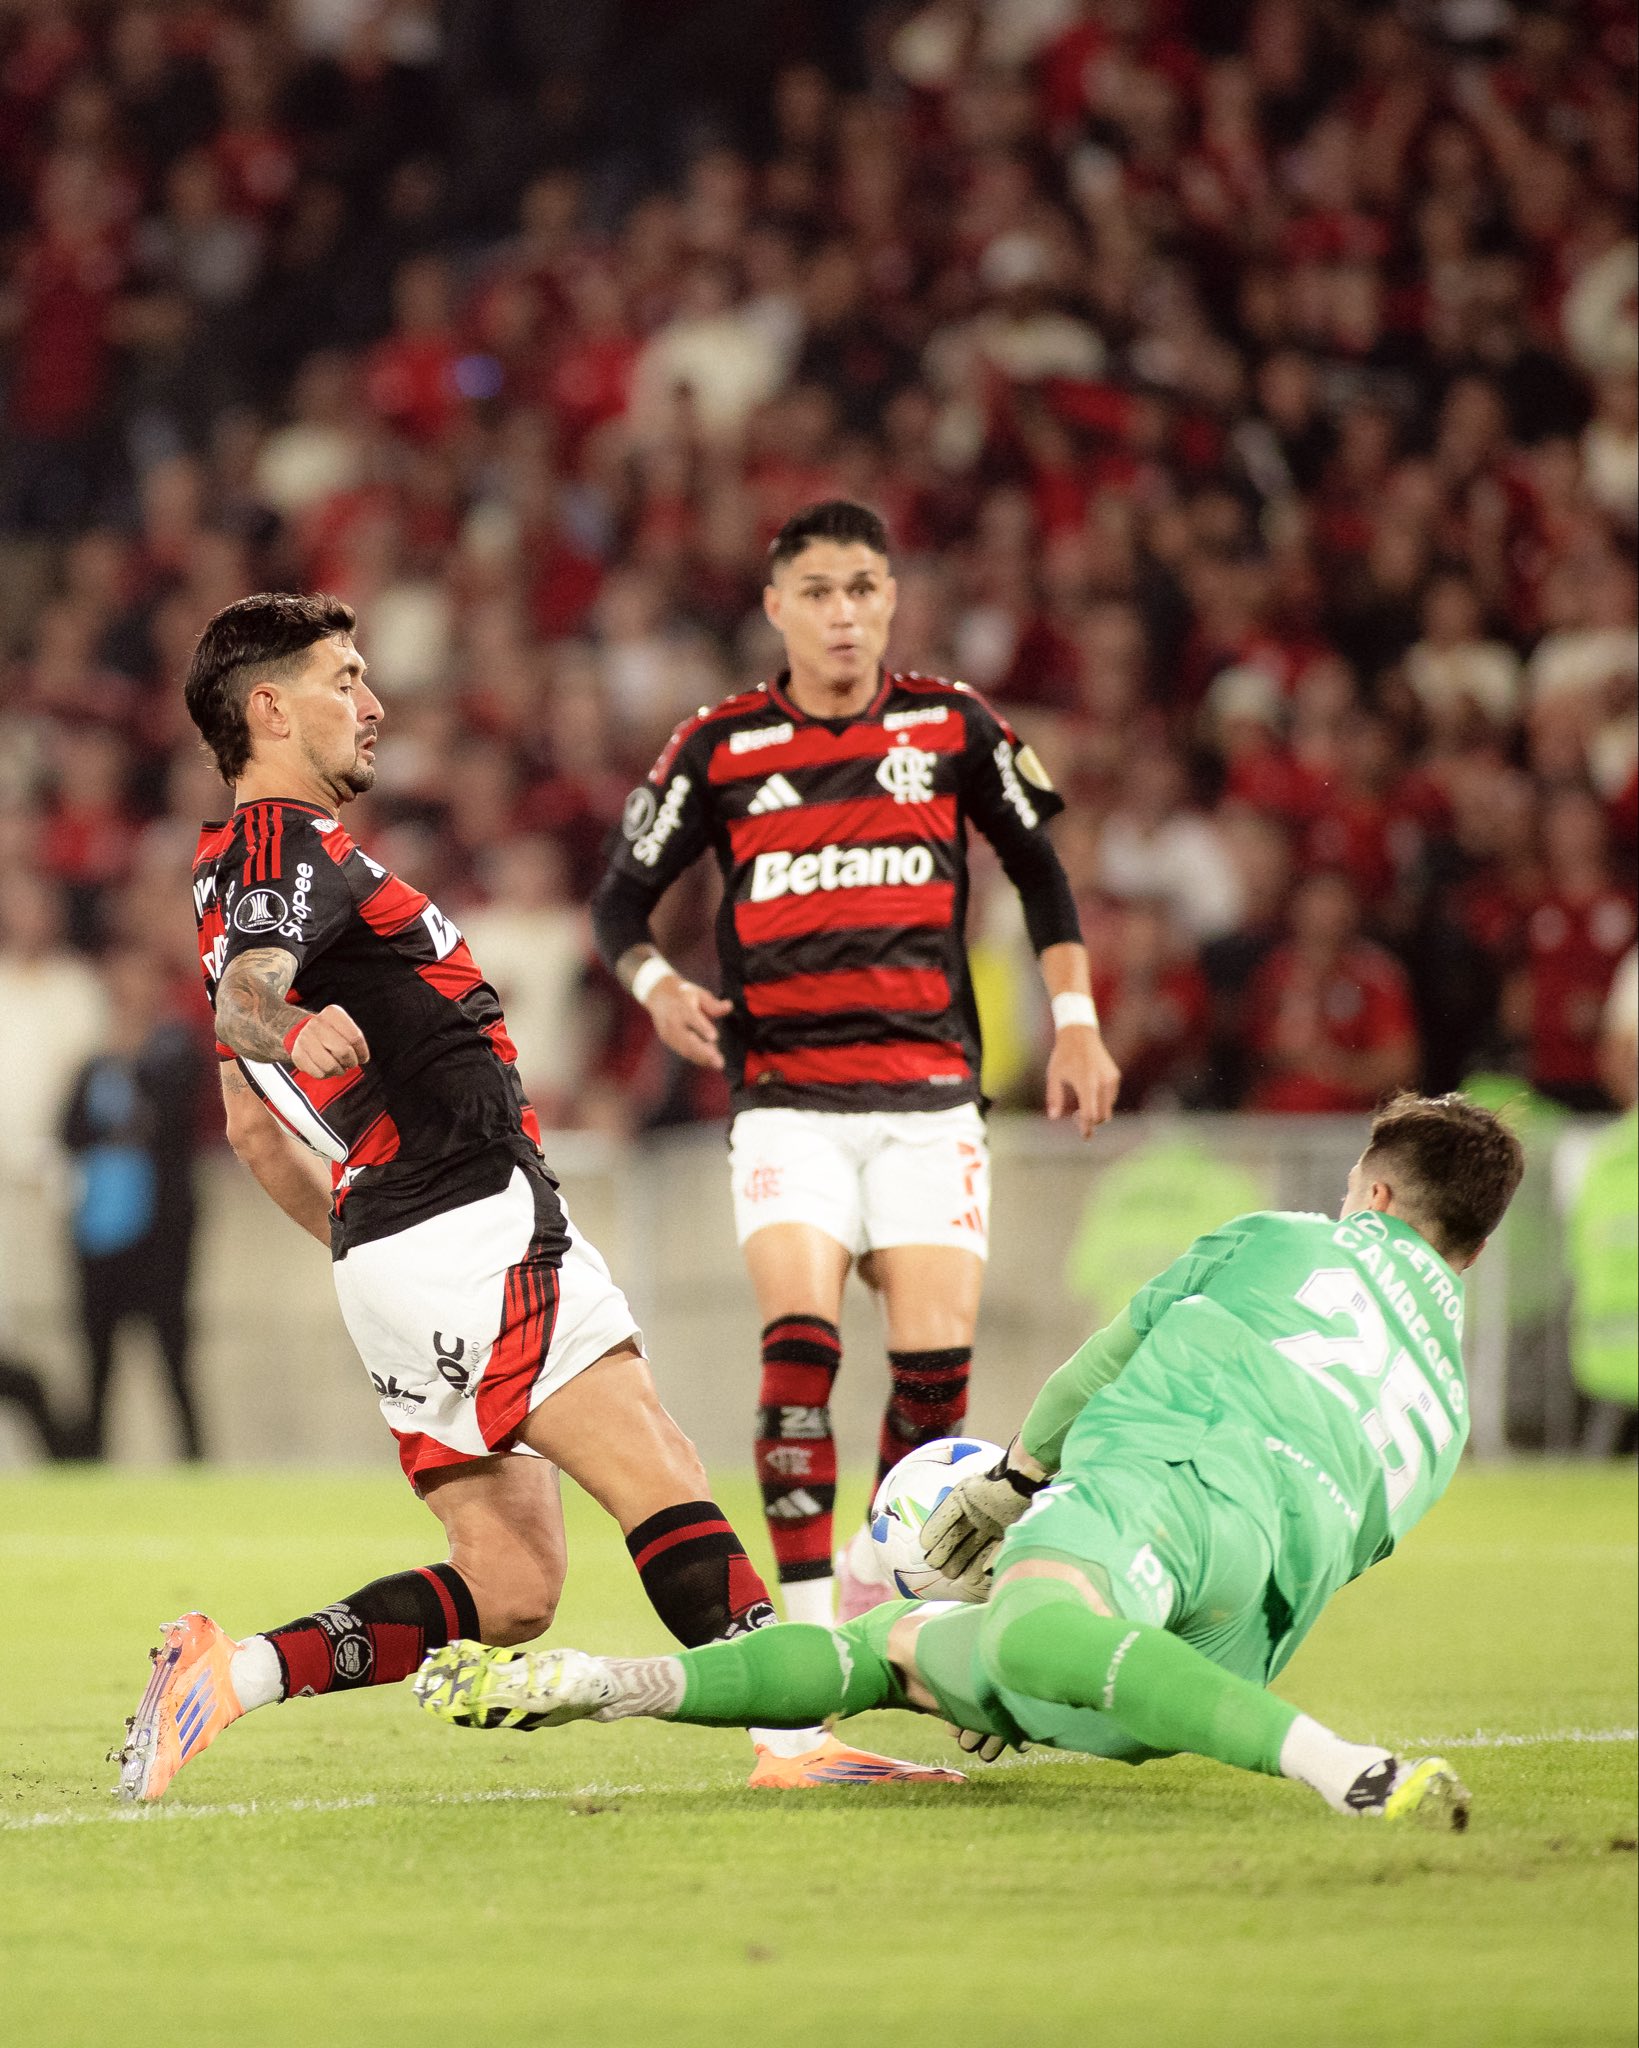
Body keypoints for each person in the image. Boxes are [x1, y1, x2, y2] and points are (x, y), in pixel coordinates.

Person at [113, 591, 951, 1802]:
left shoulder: (234, 874)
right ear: (271, 709)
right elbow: (254, 1005)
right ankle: (795, 1738)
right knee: (657, 1462)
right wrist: (293, 1031)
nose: (372, 702)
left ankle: (230, 1672)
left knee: (508, 1581)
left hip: (394, 1239)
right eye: (345, 678)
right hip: (466, 1216)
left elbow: (251, 1128)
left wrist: (370, 1237)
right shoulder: (278, 848)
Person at [416, 1092, 1524, 1830]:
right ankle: (608, 1684)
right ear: (1469, 1249)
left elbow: (1102, 1363)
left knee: (1029, 1631)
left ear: (1375, 1195)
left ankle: (1340, 1765)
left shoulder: (1284, 1239)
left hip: (1166, 1480)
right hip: (1241, 1639)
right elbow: (1337, 1548)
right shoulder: (1448, 1412)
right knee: (892, 1649)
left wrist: (1016, 1482)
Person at [590, 500, 1120, 1686]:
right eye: (819, 591)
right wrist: (656, 984)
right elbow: (618, 899)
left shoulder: (951, 724)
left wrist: (1077, 1023)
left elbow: (1040, 872)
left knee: (933, 1383)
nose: (844, 613)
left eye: (864, 588)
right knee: (800, 1349)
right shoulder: (719, 744)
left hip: (929, 1095)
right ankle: (808, 1631)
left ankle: (883, 1601)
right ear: (775, 606)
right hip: (788, 1096)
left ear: (891, 599)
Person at [60, 947, 205, 1459]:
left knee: (173, 1357)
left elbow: (172, 1123)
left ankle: (193, 1461)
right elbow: (70, 1132)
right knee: (98, 1361)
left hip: (161, 1234)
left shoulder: (175, 1052)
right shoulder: (92, 1064)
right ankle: (91, 1460)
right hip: (101, 1231)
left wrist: (130, 1062)